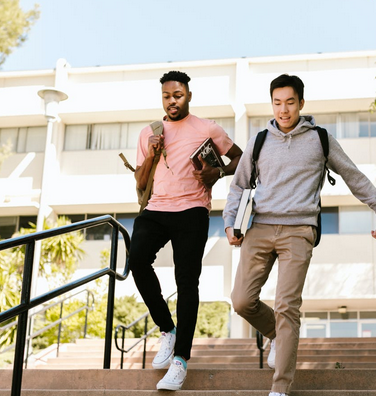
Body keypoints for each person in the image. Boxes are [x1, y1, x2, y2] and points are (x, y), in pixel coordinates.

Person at [223, 74, 376, 396]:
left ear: (301, 102)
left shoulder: (320, 139)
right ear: (272, 104)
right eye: (277, 103)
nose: (283, 110)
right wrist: (231, 222)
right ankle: (276, 334)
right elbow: (239, 185)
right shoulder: (259, 141)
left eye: (289, 102)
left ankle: (280, 388)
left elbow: (352, 175)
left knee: (287, 307)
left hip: (299, 230)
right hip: (259, 227)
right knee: (242, 301)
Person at [129, 70, 242, 391]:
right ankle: (168, 329)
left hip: (192, 210)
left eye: (178, 95)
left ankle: (180, 361)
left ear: (188, 96)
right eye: (167, 96)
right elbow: (139, 183)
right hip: (155, 210)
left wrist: (216, 172)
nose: (172, 101)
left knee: (186, 281)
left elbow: (240, 158)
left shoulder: (207, 128)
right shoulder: (149, 133)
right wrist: (151, 153)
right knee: (136, 260)